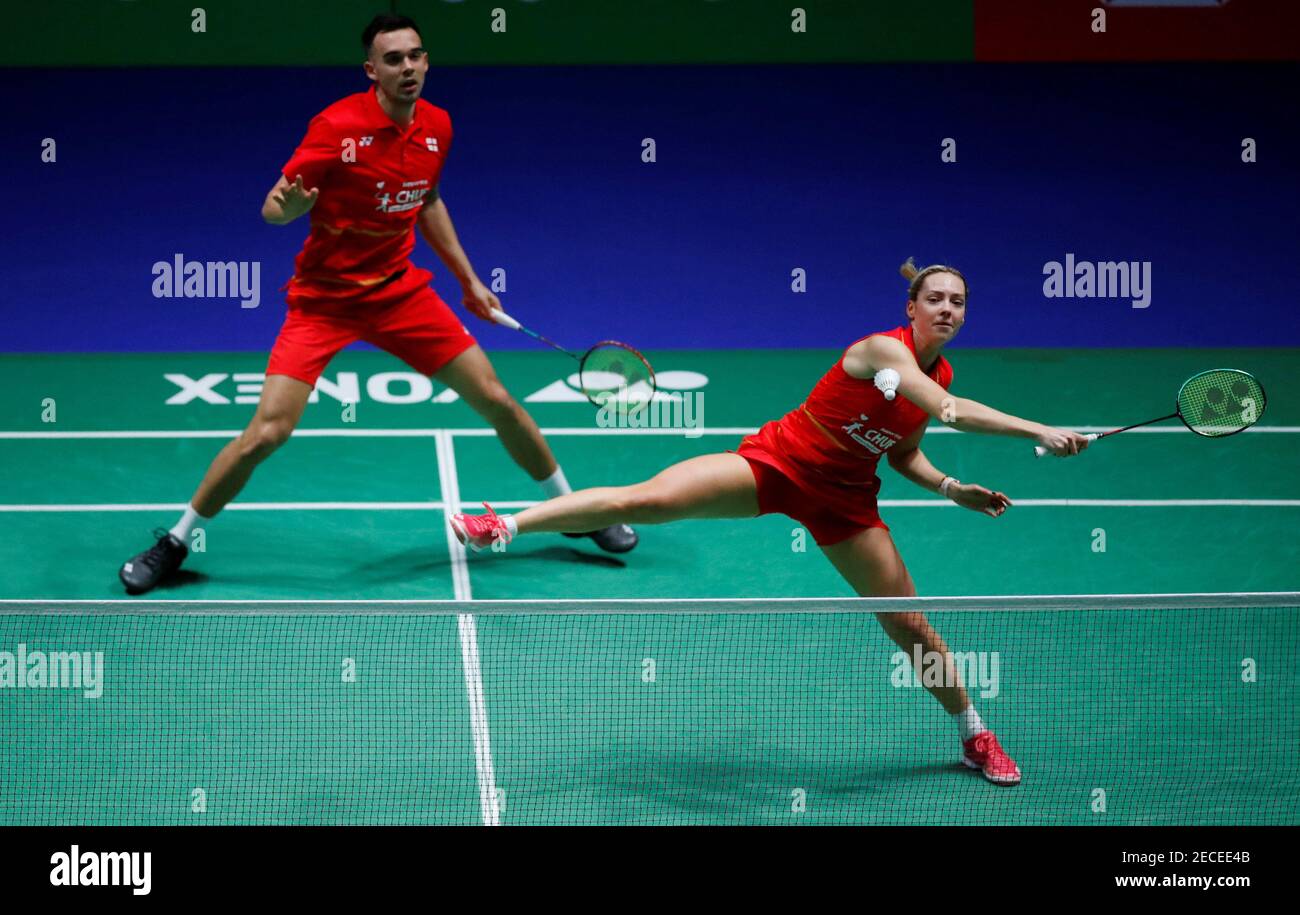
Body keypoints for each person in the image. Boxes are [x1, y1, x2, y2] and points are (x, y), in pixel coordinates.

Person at [451, 259, 1092, 786]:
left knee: (909, 624)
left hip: (845, 502)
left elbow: (902, 453)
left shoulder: (940, 371)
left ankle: (974, 733)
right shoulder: (879, 351)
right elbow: (948, 411)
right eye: (936, 300)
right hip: (779, 462)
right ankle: (505, 523)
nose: (948, 310)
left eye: (958, 302)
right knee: (647, 500)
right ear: (912, 309)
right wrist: (1038, 428)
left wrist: (951, 488)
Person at [119, 14, 635, 595]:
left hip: (399, 293)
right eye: (393, 60)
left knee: (497, 400)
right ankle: (177, 542)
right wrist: (287, 210)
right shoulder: (336, 126)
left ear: (427, 61)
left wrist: (467, 280)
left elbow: (428, 199)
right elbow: (274, 206)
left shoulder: (437, 126)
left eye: (416, 56)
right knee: (267, 432)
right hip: (324, 302)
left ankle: (571, 512)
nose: (408, 67)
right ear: (372, 70)